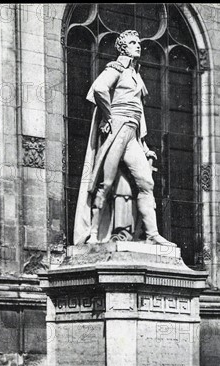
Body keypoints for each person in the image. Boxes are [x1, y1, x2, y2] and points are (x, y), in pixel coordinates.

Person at [73, 29, 176, 246]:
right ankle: (92, 233)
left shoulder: (136, 74)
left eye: (138, 42)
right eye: (132, 42)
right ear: (122, 47)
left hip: (132, 133)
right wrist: (109, 116)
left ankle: (152, 234)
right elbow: (99, 88)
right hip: (118, 128)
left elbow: (139, 109)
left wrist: (144, 143)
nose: (137, 45)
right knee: (106, 182)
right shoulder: (117, 68)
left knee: (146, 182)